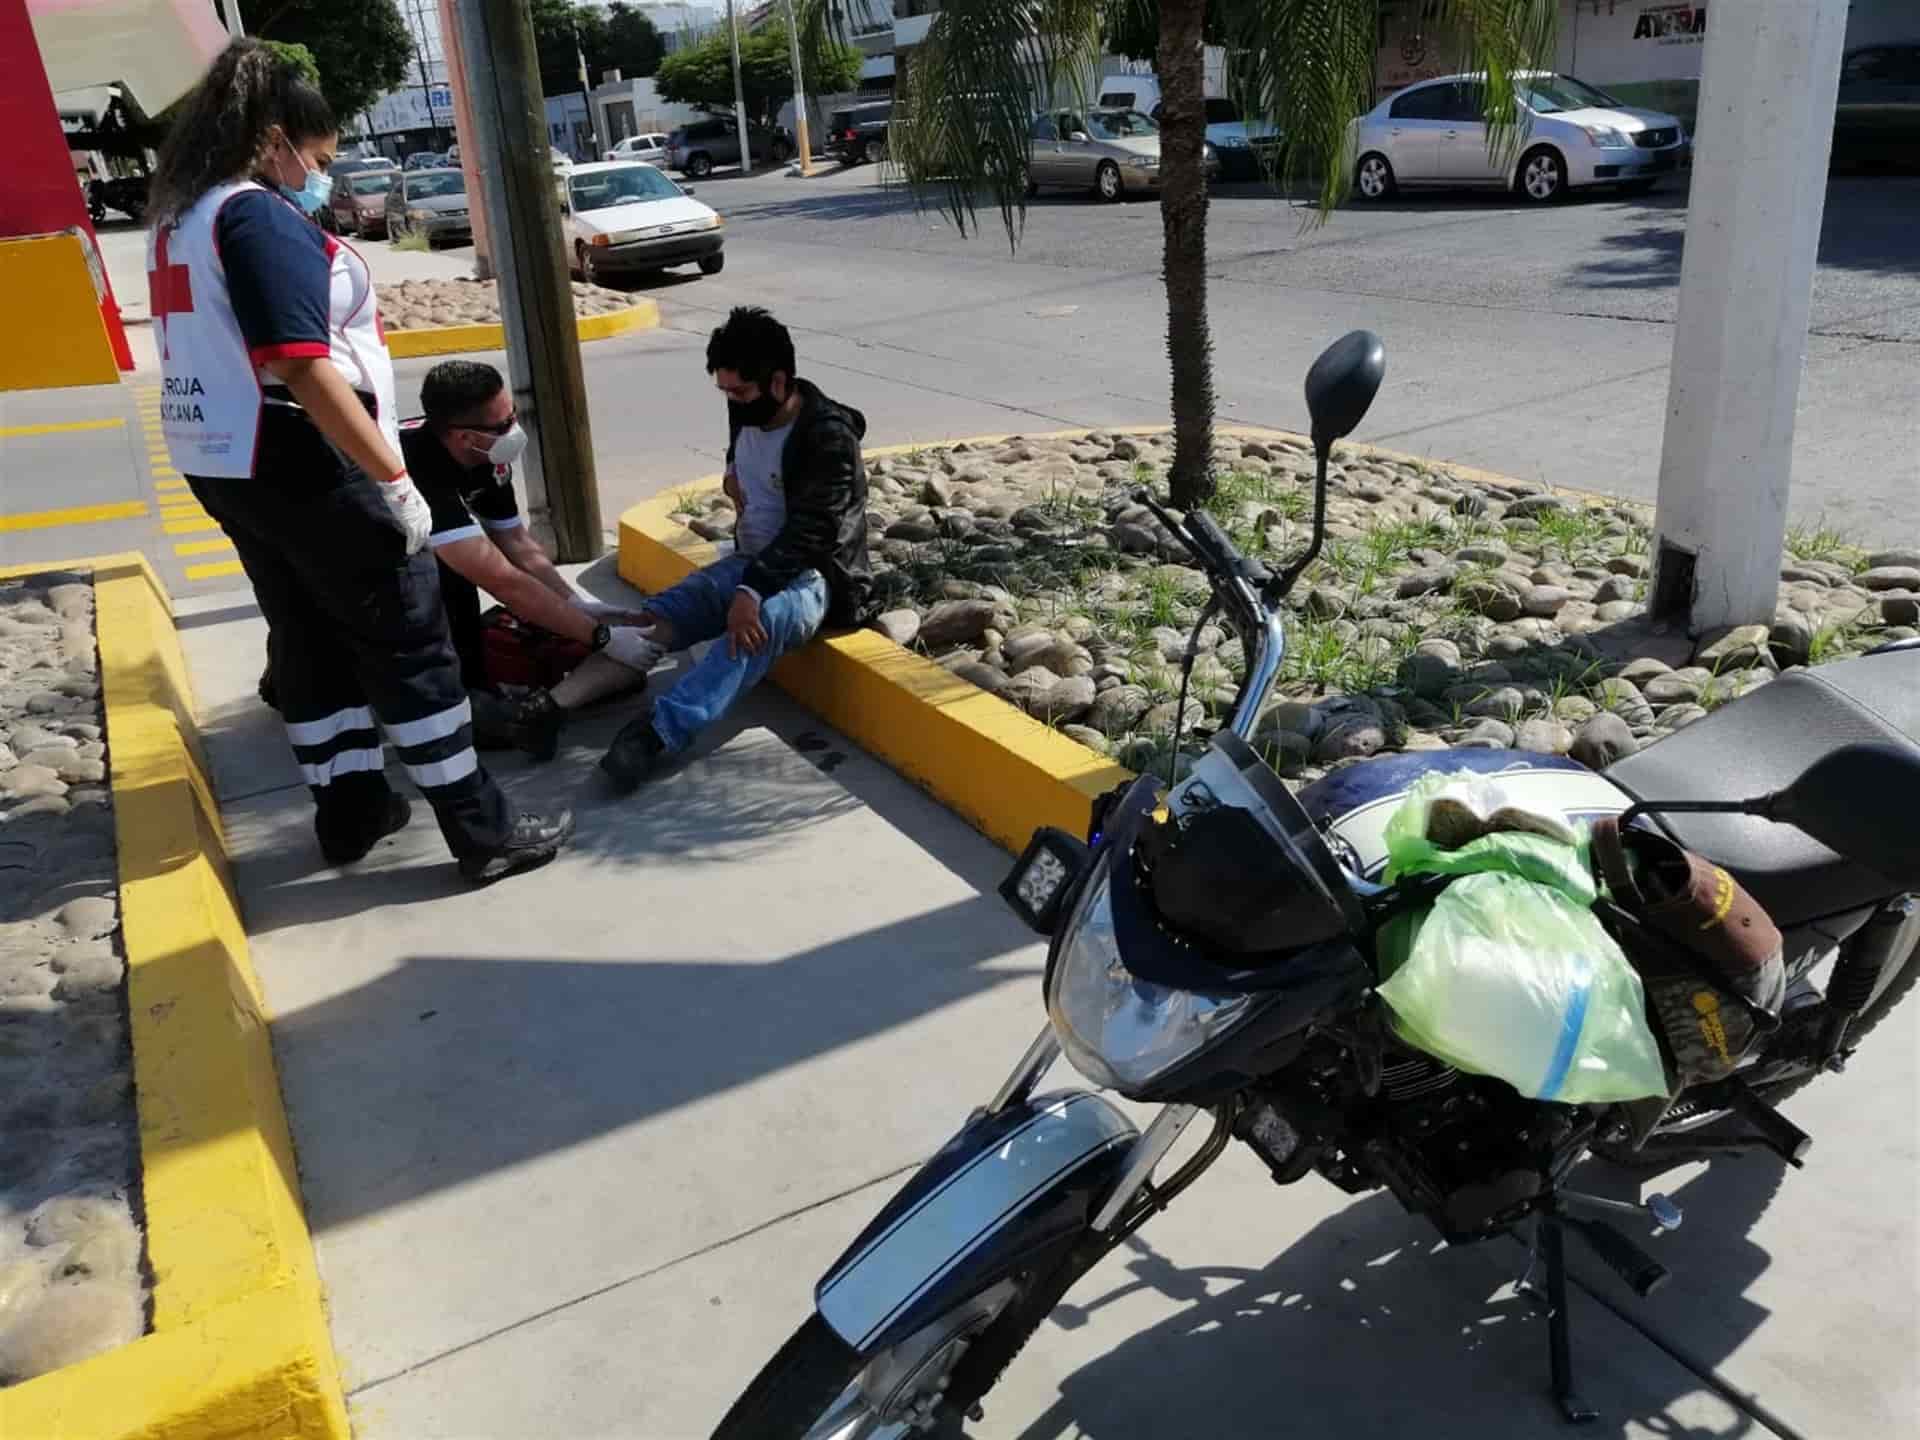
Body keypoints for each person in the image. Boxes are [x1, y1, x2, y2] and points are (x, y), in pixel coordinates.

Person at [142, 41, 637, 880]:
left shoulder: (180, 219)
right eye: (321, 159)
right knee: (411, 648)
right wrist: (394, 479)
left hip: (224, 464)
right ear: (274, 140)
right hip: (304, 463)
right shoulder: (255, 215)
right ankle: (482, 833)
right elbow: (302, 364)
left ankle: (352, 810)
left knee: (307, 641)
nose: (321, 175)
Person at [596, 307, 873, 790]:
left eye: (740, 391)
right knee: (664, 612)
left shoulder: (827, 437)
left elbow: (813, 533)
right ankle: (559, 699)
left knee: (752, 630)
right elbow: (741, 446)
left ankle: (658, 733)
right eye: (725, 391)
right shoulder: (746, 406)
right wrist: (731, 470)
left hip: (814, 577)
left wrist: (750, 592)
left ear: (779, 381)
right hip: (750, 562)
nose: (732, 402)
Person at [401, 360, 653, 753]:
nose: (514, 429)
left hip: (412, 557)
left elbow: (514, 541)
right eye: (502, 425)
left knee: (473, 643)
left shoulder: (484, 456)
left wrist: (576, 604)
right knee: (446, 593)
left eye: (512, 414)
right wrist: (603, 638)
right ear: (464, 437)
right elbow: (501, 579)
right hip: (351, 568)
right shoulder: (417, 468)